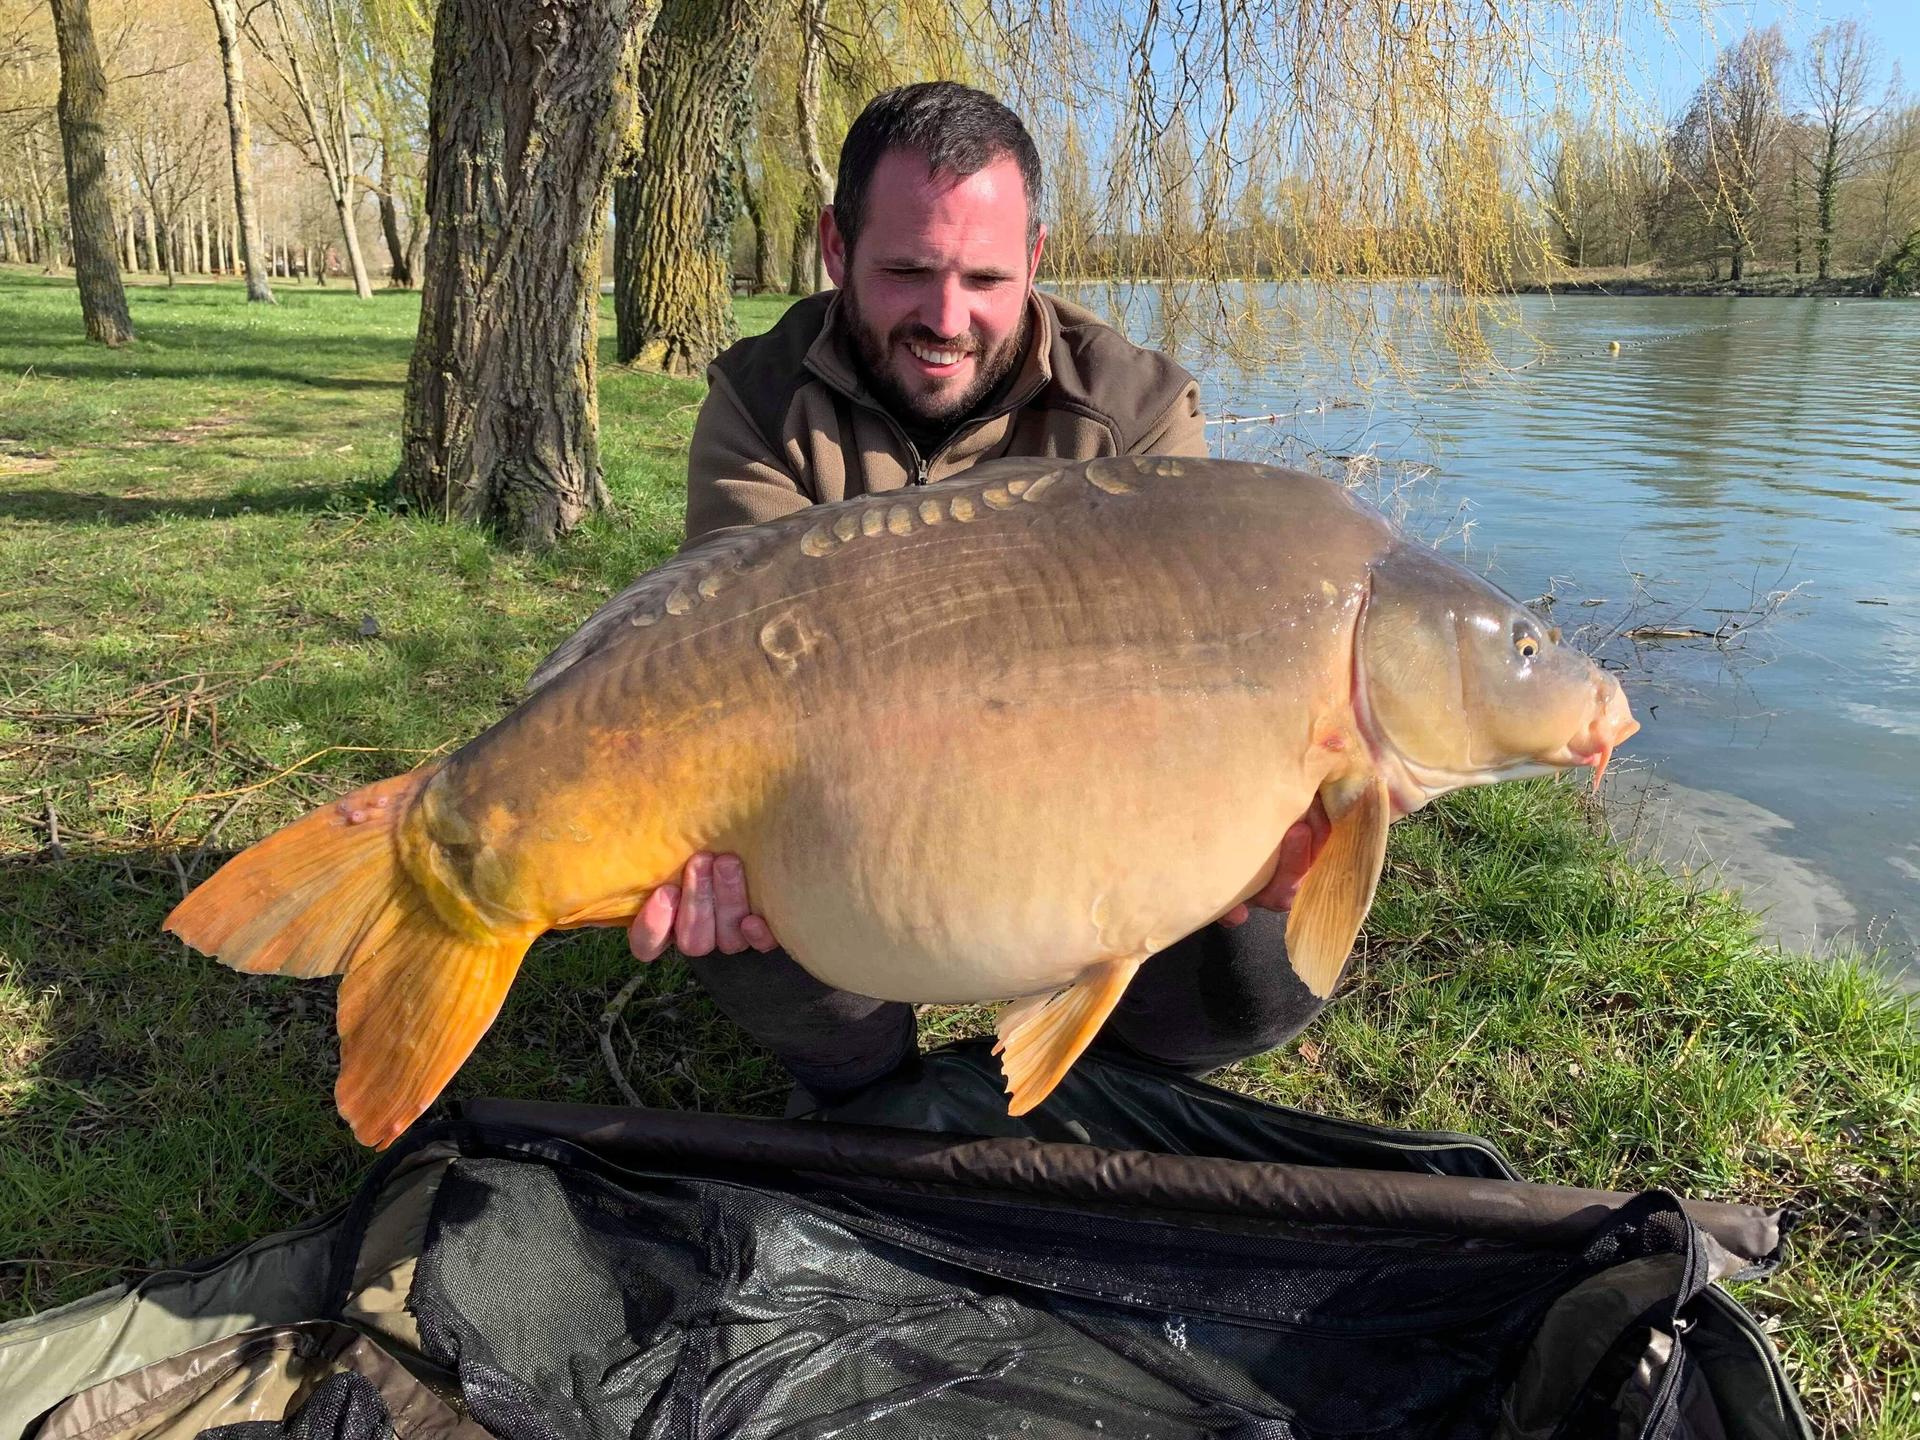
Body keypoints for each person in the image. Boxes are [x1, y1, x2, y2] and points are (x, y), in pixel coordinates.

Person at [628, 82, 1329, 1108]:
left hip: (1081, 803)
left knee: (1260, 954)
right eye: (907, 272)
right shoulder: (762, 402)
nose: (946, 321)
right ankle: (865, 1084)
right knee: (729, 873)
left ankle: (1120, 1076)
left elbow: (1191, 681)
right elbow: (728, 667)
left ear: (1037, 260)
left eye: (987, 278)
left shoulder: (1135, 413)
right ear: (834, 247)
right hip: (852, 804)